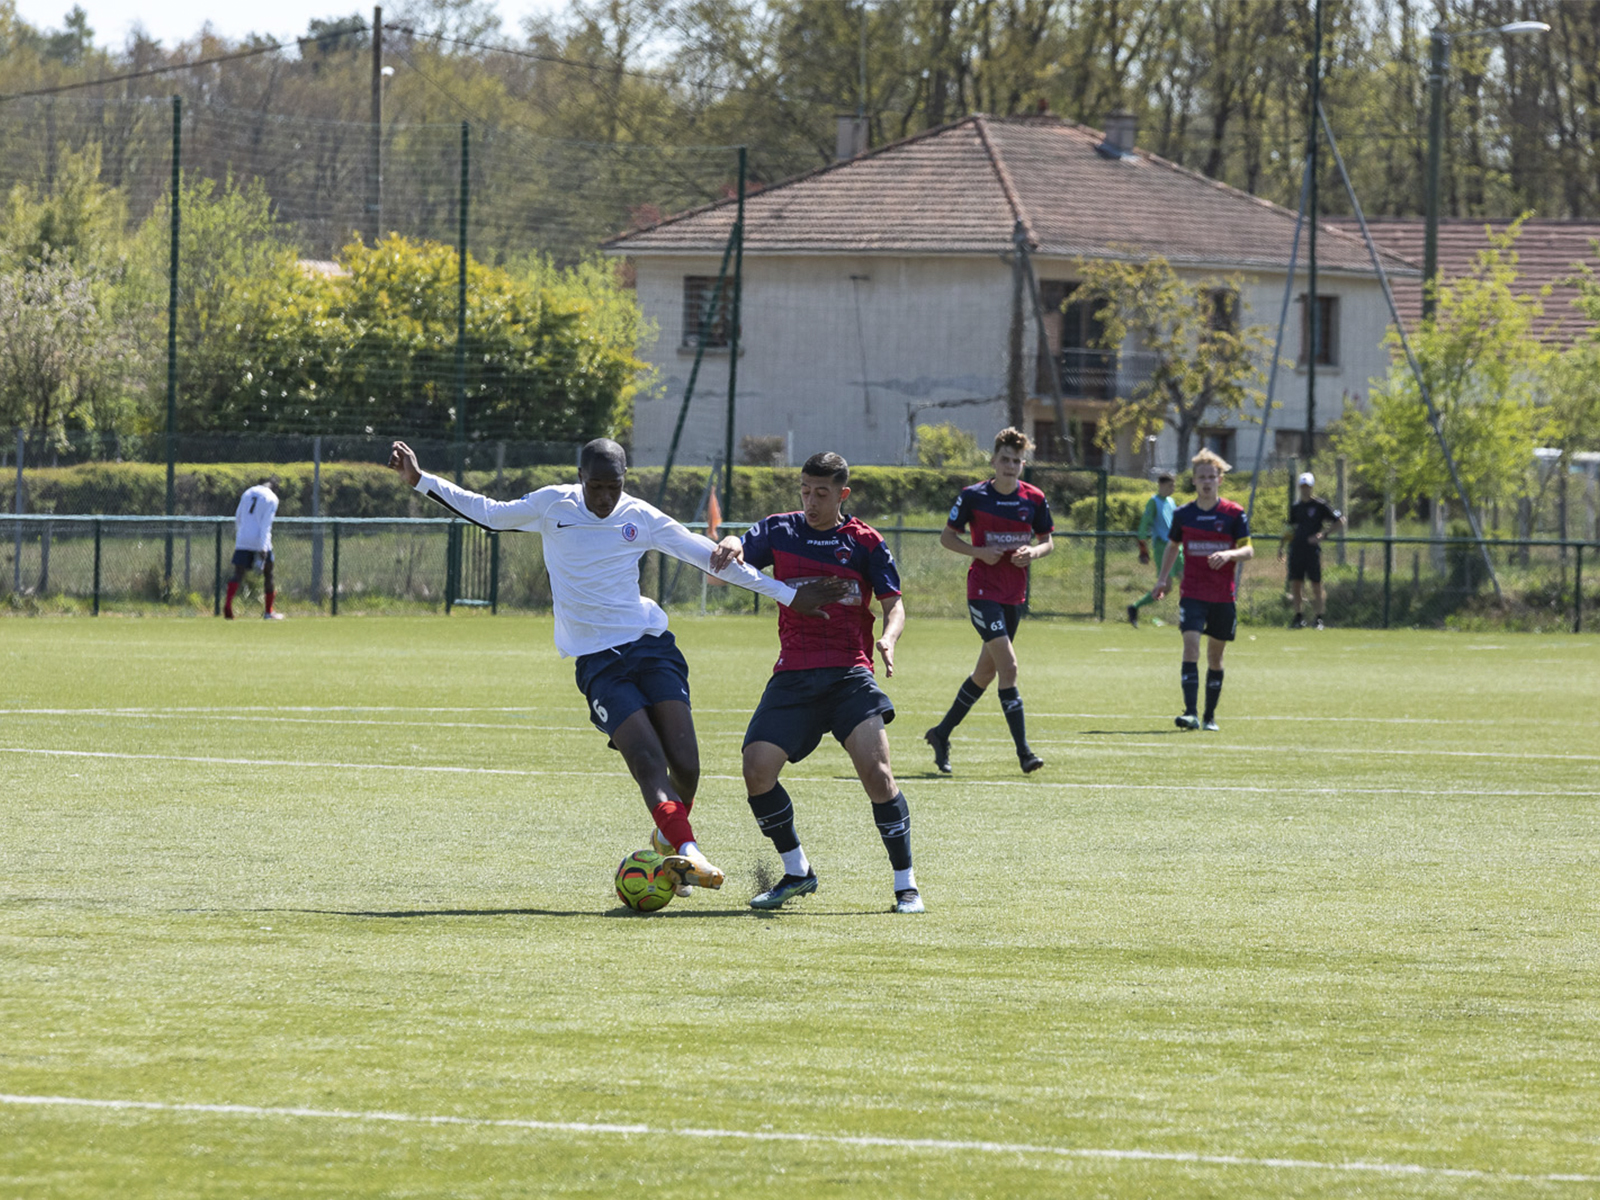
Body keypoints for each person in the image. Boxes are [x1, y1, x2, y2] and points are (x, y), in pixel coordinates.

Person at [388, 437, 846, 900]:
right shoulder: (552, 505)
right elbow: (487, 511)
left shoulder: (639, 516)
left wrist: (789, 595)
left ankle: (668, 841)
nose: (606, 499)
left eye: (614, 487)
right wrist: (420, 479)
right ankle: (690, 852)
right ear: (581, 479)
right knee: (648, 761)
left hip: (650, 647)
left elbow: (706, 556)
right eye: (597, 487)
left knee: (686, 765)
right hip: (598, 662)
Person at [708, 451, 921, 914]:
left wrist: (888, 638)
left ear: (842, 494)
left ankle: (906, 885)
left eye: (821, 493)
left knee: (878, 775)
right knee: (756, 769)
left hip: (848, 671)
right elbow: (735, 558)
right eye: (805, 490)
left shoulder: (863, 541)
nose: (811, 500)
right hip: (794, 672)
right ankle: (798, 871)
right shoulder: (780, 530)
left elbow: (894, 604)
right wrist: (730, 541)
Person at [923, 427, 1053, 775]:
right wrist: (979, 552)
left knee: (984, 673)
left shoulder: (1034, 499)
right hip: (982, 593)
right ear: (994, 461)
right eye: (1005, 459)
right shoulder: (973, 496)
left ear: (1022, 464)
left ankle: (940, 733)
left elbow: (1048, 542)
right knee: (1008, 667)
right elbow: (947, 538)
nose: (1010, 466)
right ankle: (1024, 753)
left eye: (1016, 461)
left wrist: (1033, 552)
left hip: (1014, 595)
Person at [1153, 449, 1253, 732]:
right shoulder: (1183, 514)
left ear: (1220, 479)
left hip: (1223, 595)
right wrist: (1163, 579)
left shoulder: (1233, 513)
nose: (1207, 482)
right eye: (1201, 477)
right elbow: (1173, 546)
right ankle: (1190, 713)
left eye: (1212, 476)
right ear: (1194, 481)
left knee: (1215, 657)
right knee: (1191, 647)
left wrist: (1229, 555)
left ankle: (1210, 716)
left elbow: (1248, 549)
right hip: (1193, 592)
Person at [1279, 471, 1345, 630]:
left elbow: (1340, 521)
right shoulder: (1296, 507)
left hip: (1312, 551)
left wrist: (1324, 534)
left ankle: (1319, 618)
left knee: (1316, 584)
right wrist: (1281, 546)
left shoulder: (1320, 505)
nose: (1305, 489)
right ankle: (1298, 617)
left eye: (1307, 486)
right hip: (1296, 550)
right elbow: (1289, 528)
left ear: (1312, 487)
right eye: (1302, 486)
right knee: (1296, 584)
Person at [1127, 472, 1181, 628]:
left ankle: (1188, 618)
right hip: (1163, 547)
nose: (1173, 488)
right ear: (1162, 485)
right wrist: (1142, 548)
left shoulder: (1171, 501)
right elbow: (1144, 525)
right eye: (1171, 485)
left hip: (1177, 546)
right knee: (1167, 586)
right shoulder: (1154, 502)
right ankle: (1135, 607)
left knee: (1187, 580)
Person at [226, 476, 282, 620]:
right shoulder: (272, 498)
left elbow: (238, 516)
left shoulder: (248, 492)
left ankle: (228, 605)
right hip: (260, 539)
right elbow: (266, 524)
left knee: (238, 573)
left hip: (243, 538)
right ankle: (268, 612)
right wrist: (263, 547)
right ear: (274, 488)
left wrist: (240, 535)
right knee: (268, 574)